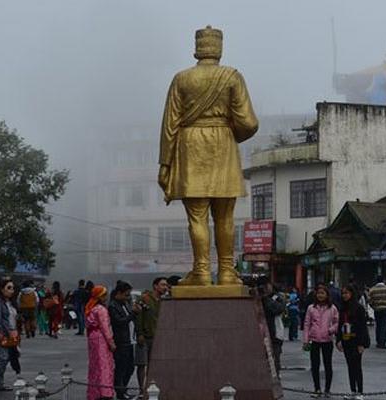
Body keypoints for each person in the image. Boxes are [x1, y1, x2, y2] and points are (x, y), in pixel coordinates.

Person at [158, 26, 258, 287]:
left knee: (197, 216)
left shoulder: (181, 79)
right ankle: (226, 271)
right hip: (223, 144)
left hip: (191, 146)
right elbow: (248, 122)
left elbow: (170, 125)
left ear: (197, 49)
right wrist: (228, 132)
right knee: (225, 216)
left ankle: (201, 271)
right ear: (219, 49)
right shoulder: (233, 76)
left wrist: (165, 163)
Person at [303, 285, 339, 398]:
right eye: (318, 293)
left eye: (323, 293)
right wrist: (306, 339)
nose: (320, 295)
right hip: (314, 340)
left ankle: (327, 389)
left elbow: (337, 322)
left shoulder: (332, 308)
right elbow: (306, 323)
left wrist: (331, 330)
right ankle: (317, 389)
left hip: (327, 340)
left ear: (327, 295)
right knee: (315, 365)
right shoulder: (311, 308)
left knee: (328, 365)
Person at [135, 277, 168, 396]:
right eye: (163, 285)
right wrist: (139, 333)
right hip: (144, 337)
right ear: (155, 286)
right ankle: (141, 389)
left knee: (153, 364)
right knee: (141, 364)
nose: (165, 287)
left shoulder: (164, 301)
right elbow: (138, 317)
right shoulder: (144, 299)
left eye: (166, 285)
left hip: (157, 337)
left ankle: (150, 387)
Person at [335, 285, 370, 400]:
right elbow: (339, 325)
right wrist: (338, 340)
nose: (344, 295)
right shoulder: (342, 308)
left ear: (352, 294)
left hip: (356, 340)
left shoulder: (359, 308)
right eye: (343, 293)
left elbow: (362, 327)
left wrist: (361, 343)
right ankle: (352, 390)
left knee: (357, 366)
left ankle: (360, 391)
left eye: (347, 293)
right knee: (350, 366)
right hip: (346, 340)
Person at [109, 281, 139, 400]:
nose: (128, 297)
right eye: (126, 295)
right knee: (121, 368)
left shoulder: (124, 304)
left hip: (129, 340)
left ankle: (123, 389)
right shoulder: (113, 306)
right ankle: (120, 393)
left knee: (130, 367)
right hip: (121, 341)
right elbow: (119, 322)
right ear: (118, 293)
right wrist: (133, 314)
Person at [85, 285, 116, 400]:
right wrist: (111, 342)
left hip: (92, 338)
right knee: (104, 365)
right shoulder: (101, 310)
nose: (106, 297)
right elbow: (105, 328)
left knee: (95, 365)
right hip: (100, 338)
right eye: (104, 295)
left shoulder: (91, 307)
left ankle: (94, 392)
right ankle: (105, 392)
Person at [0, 278, 19, 392]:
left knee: (5, 358)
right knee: (2, 357)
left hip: (10, 334)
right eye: (9, 288)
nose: (12, 290)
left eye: (13, 288)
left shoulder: (10, 303)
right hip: (0, 334)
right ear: (2, 289)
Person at [261, 282, 285, 377]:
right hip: (261, 332)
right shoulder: (257, 297)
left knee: (275, 356)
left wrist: (266, 298)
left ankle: (275, 376)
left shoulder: (277, 298)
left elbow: (277, 309)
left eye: (267, 286)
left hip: (274, 333)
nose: (265, 288)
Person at [368, 276, 386, 349]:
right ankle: (383, 342)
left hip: (377, 309)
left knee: (378, 325)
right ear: (384, 280)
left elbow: (369, 300)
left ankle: (378, 341)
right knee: (384, 326)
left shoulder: (372, 289)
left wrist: (373, 306)